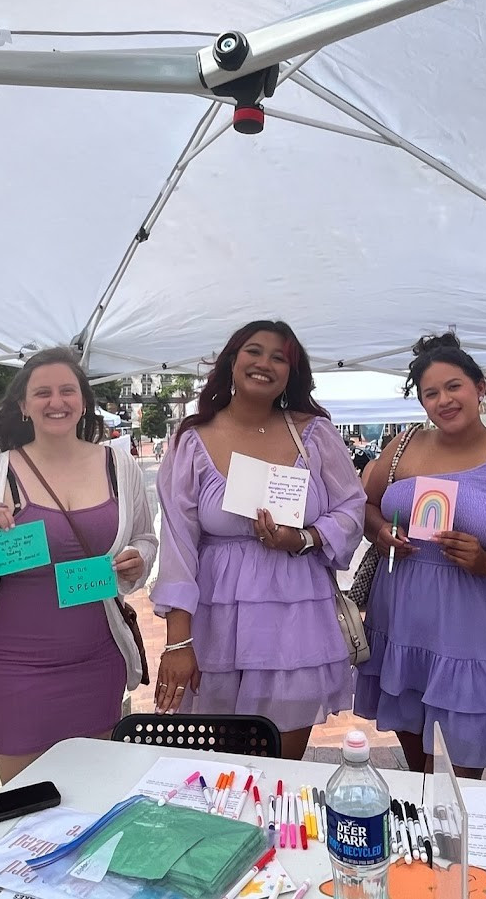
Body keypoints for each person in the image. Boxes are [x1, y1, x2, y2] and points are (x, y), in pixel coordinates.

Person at [152, 319, 366, 760]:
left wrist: (304, 539)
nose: (264, 363)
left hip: (296, 618)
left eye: (279, 357)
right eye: (254, 351)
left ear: (291, 373)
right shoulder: (192, 441)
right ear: (232, 361)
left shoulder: (314, 434)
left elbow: (352, 508)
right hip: (218, 621)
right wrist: (178, 641)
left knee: (282, 764)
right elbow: (177, 545)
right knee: (223, 765)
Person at [0, 347, 157, 783]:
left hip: (98, 664)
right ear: (23, 406)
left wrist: (138, 562)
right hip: (14, 672)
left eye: (67, 391)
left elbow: (145, 539)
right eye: (42, 393)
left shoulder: (120, 466)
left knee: (96, 797)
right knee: (29, 803)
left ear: (83, 402)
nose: (56, 401)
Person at [354, 333, 486, 777]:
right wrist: (381, 531)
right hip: (401, 617)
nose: (444, 401)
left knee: (456, 774)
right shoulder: (403, 446)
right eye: (431, 393)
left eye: (454, 387)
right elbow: (367, 506)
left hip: (472, 629)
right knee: (418, 763)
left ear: (480, 387)